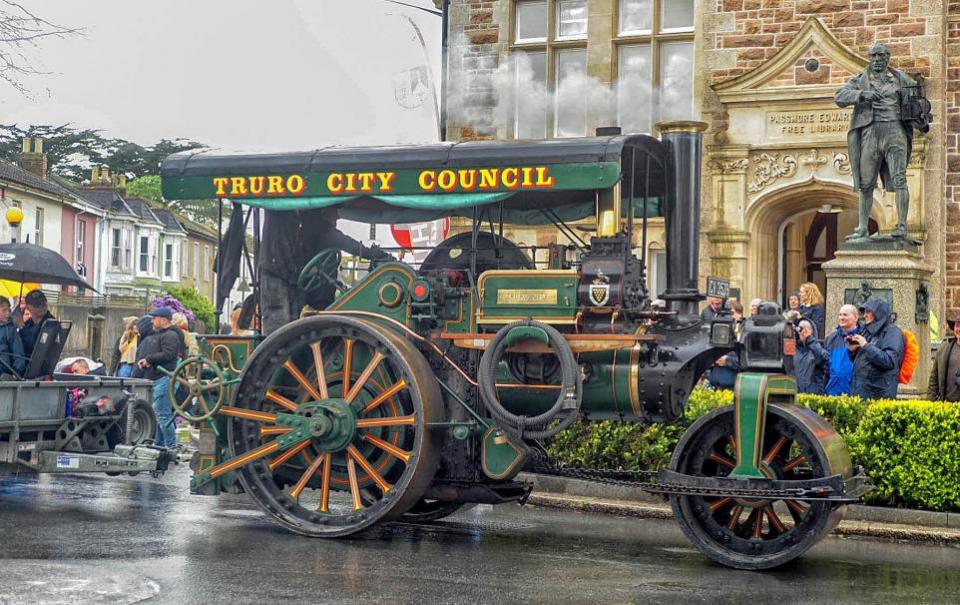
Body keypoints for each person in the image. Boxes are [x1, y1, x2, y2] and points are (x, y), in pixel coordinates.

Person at [259, 207, 390, 335]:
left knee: (290, 329)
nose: (338, 216)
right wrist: (375, 254)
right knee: (279, 329)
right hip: (283, 279)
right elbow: (348, 244)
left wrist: (374, 254)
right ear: (324, 211)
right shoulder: (320, 229)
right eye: (335, 211)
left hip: (297, 281)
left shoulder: (311, 225)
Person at [136, 307, 181, 450]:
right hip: (159, 377)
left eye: (155, 318)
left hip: (164, 377)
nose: (152, 321)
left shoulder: (170, 335)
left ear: (163, 320)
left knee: (162, 415)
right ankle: (159, 446)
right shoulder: (163, 334)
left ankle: (171, 447)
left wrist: (149, 359)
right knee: (159, 415)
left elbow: (168, 354)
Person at [847, 298, 905, 400]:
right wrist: (853, 351)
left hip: (878, 395)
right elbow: (865, 361)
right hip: (860, 392)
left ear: (878, 313)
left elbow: (889, 361)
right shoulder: (866, 331)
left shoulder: (893, 332)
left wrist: (866, 345)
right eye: (864, 312)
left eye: (868, 312)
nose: (864, 315)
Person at [824, 304, 860, 396]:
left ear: (856, 317)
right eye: (840, 315)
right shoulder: (831, 338)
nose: (841, 317)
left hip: (855, 395)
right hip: (832, 393)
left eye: (845, 315)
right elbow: (825, 367)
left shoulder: (863, 337)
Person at [707, 302, 743, 389]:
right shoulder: (715, 332)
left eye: (731, 313)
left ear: (740, 314)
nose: (728, 317)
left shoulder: (743, 334)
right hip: (714, 384)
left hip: (733, 386)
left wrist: (727, 361)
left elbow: (744, 362)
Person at [927, 311, 960, 402]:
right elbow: (934, 378)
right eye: (957, 325)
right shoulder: (944, 348)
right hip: (947, 405)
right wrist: (931, 403)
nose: (959, 329)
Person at [793, 319, 829, 394]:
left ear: (812, 330)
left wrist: (809, 340)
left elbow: (825, 358)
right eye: (800, 328)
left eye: (806, 329)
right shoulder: (794, 349)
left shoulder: (817, 347)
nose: (802, 332)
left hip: (812, 394)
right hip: (796, 393)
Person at [18, 290, 55, 359]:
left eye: (43, 303)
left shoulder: (51, 324)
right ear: (28, 307)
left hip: (33, 364)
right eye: (37, 305)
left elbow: (35, 350)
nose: (41, 307)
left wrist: (21, 326)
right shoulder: (29, 323)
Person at [0, 298, 25, 377]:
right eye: (4, 310)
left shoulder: (9, 329)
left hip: (4, 373)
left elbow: (18, 353)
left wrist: (16, 373)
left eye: (9, 310)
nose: (8, 314)